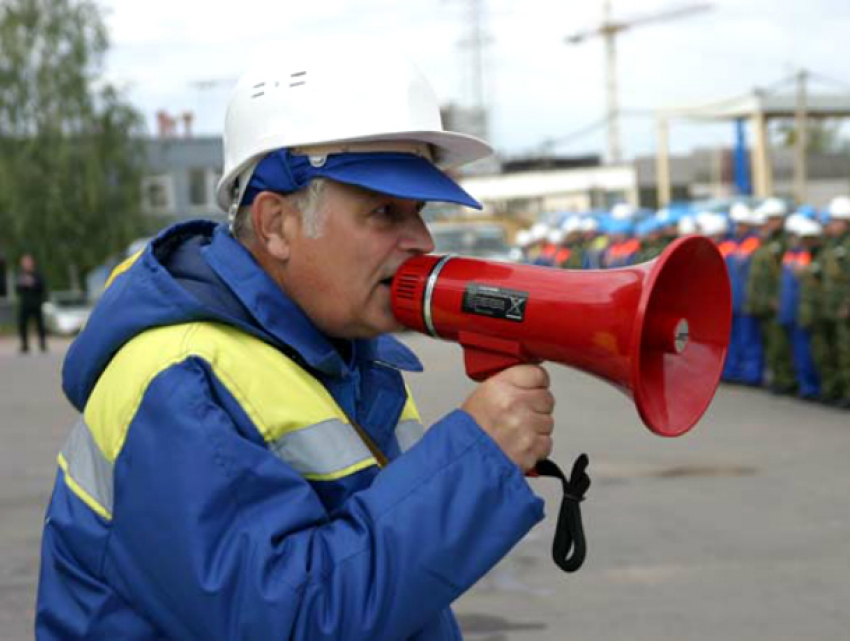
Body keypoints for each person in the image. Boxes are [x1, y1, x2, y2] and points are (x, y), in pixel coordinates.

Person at [35, 45, 557, 639]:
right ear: (275, 224)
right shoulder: (178, 381)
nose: (421, 239)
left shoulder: (352, 357)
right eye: (385, 211)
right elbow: (291, 619)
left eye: (419, 211)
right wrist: (475, 458)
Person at [15, 253, 48, 353]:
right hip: (25, 304)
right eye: (24, 262)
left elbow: (42, 287)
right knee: (22, 324)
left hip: (36, 303)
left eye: (28, 262)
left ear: (32, 263)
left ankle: (42, 343)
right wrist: (23, 284)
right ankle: (24, 344)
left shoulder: (37, 275)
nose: (26, 264)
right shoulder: (21, 275)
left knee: (40, 324)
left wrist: (33, 283)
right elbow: (17, 289)